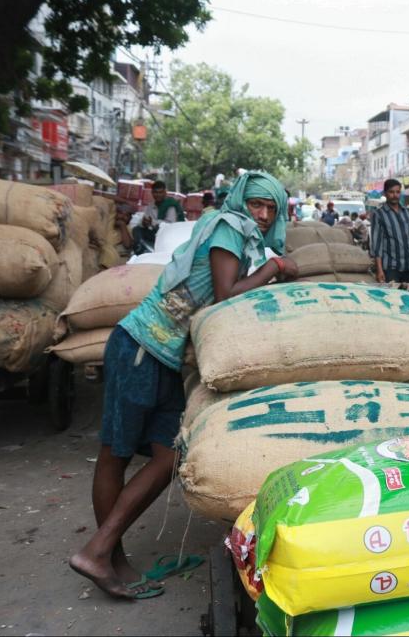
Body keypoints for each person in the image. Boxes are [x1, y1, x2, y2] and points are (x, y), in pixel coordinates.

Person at [70, 171, 298, 600]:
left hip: (166, 358)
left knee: (169, 454)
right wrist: (275, 267)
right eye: (257, 205)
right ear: (241, 202)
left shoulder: (242, 235)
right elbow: (226, 294)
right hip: (141, 345)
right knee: (115, 451)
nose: (264, 215)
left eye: (271, 208)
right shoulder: (229, 227)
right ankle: (105, 556)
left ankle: (101, 552)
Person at [372, 179, 409, 284]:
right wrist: (379, 270)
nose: (395, 195)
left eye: (397, 192)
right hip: (391, 268)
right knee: (392, 298)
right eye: (391, 192)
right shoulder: (379, 215)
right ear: (385, 194)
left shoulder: (408, 213)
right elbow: (377, 245)